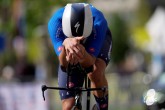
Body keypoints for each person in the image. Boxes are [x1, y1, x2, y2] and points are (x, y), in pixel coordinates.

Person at [48, 3, 112, 110]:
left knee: (95, 72)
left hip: (97, 38)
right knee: (68, 106)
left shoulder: (99, 22)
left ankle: (102, 107)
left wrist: (81, 53)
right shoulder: (54, 24)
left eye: (80, 38)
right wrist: (65, 43)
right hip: (66, 43)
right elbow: (63, 64)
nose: (76, 41)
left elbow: (90, 63)